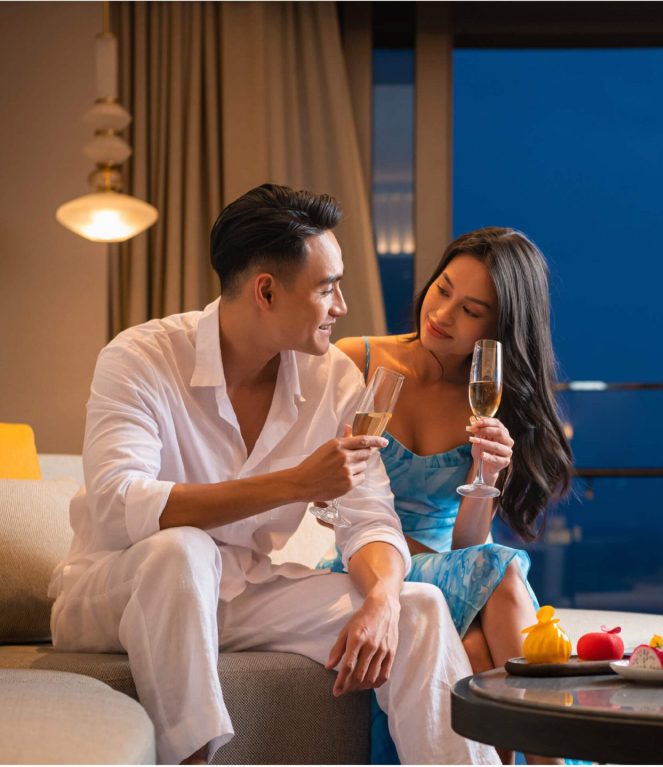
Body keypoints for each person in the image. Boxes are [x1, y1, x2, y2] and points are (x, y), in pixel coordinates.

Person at [47, 183, 500, 766]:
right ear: (266, 290)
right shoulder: (141, 358)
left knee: (419, 606)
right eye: (328, 288)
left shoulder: (332, 379)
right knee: (181, 552)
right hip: (119, 587)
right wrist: (295, 485)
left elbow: (370, 517)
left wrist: (383, 599)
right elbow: (118, 505)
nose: (341, 306)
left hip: (243, 590)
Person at [318, 227, 574, 764]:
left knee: (479, 643)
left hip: (450, 567)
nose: (443, 314)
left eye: (471, 309)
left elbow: (466, 544)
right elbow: (328, 488)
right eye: (443, 289)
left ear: (499, 327)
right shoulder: (356, 360)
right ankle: (552, 757)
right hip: (368, 563)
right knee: (503, 571)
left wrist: (486, 478)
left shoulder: (487, 396)